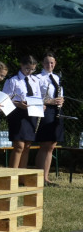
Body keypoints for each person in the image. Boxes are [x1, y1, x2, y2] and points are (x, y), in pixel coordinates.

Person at [3, 55, 40, 169]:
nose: (30, 72)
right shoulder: (13, 80)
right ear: (22, 65)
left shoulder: (35, 80)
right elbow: (5, 98)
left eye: (32, 69)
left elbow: (38, 97)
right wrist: (18, 104)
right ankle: (12, 174)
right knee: (19, 145)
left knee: (27, 146)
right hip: (17, 114)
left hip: (31, 114)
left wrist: (41, 106)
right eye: (27, 69)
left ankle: (22, 176)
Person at [35, 52, 64, 185]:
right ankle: (39, 176)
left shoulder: (57, 78)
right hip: (45, 110)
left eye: (52, 63)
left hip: (56, 111)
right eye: (47, 62)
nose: (49, 65)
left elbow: (60, 95)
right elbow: (35, 97)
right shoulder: (38, 78)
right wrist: (50, 101)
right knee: (44, 144)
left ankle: (46, 177)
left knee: (52, 145)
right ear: (42, 63)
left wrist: (60, 101)